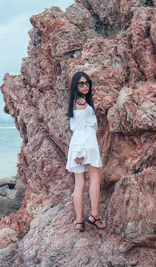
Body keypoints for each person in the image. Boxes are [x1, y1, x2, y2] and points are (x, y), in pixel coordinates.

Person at [66, 71, 106, 232]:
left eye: (87, 83)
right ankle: (94, 215)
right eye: (81, 83)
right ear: (76, 86)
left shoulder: (77, 101)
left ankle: (79, 221)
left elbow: (78, 129)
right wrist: (80, 152)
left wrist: (78, 151)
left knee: (79, 183)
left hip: (80, 144)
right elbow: (81, 129)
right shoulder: (81, 102)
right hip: (85, 144)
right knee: (94, 178)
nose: (85, 86)